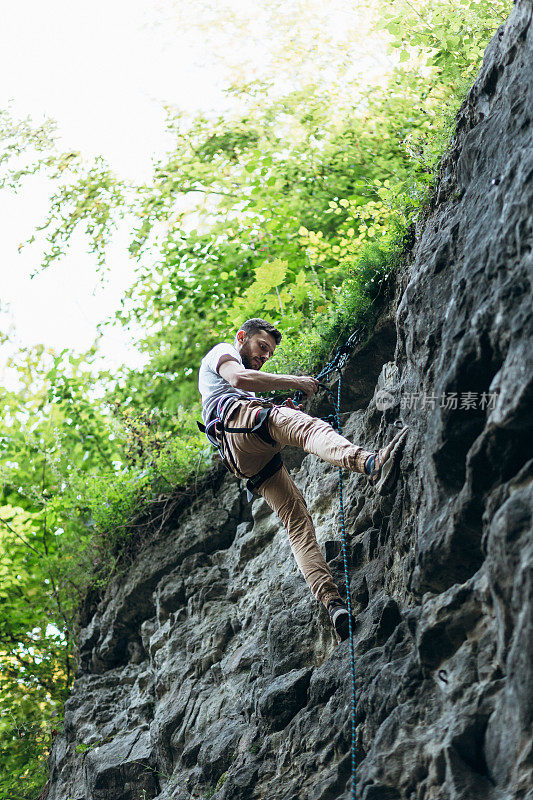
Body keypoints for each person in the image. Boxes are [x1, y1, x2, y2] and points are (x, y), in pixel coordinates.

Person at [198, 318, 408, 641]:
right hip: (238, 423)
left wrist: (277, 407)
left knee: (297, 520)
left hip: (242, 455)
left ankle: (332, 603)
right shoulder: (224, 352)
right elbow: (239, 379)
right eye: (261, 347)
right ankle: (370, 463)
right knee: (309, 429)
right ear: (242, 337)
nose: (264, 356)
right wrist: (294, 381)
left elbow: (246, 391)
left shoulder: (236, 374)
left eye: (268, 354)